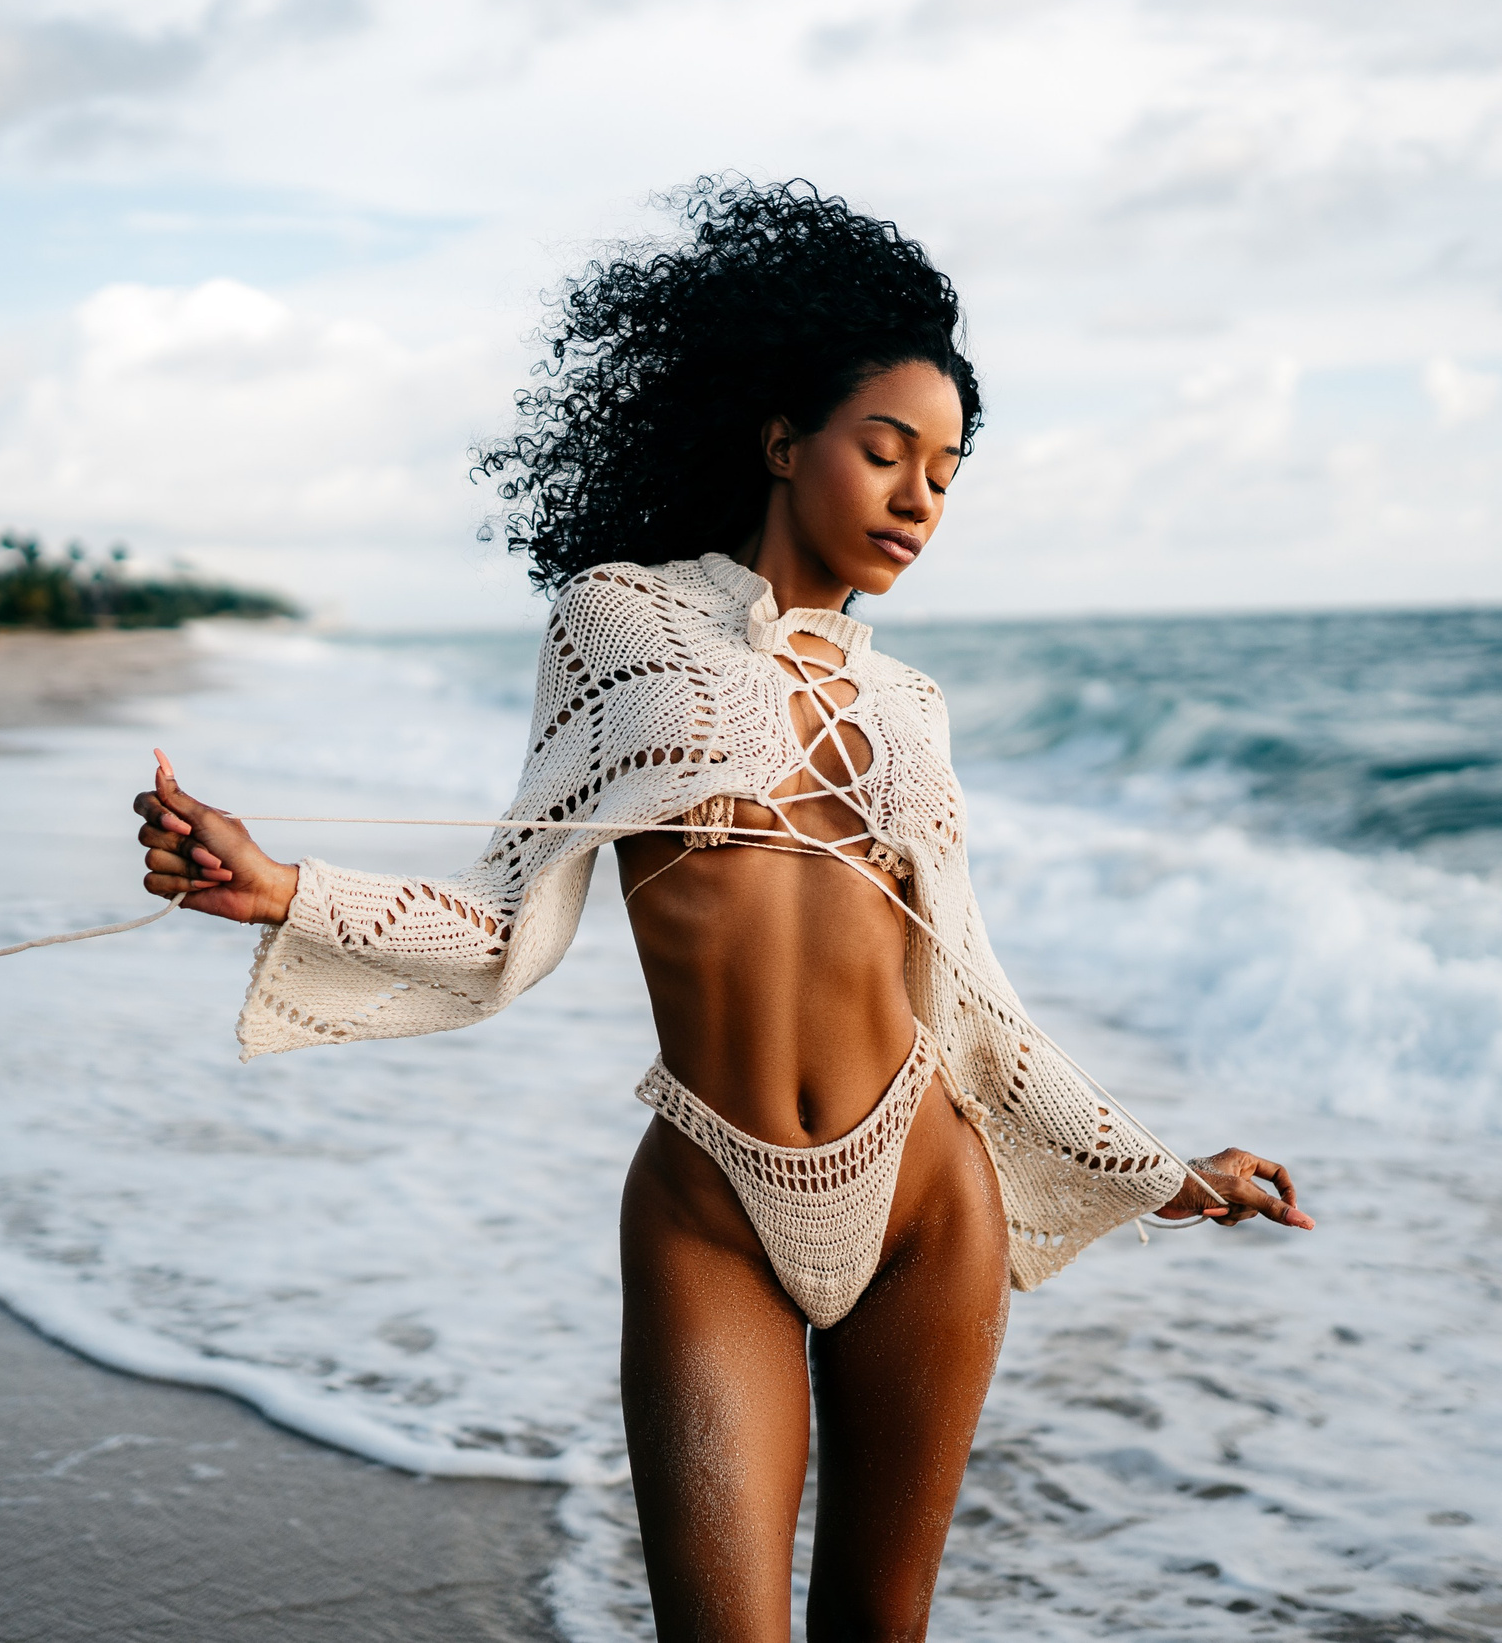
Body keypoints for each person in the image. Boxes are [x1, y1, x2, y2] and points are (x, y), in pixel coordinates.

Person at [133, 177, 1313, 1642]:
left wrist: (1157, 1169)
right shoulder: (623, 623)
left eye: (945, 475)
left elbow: (974, 1007)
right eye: (888, 453)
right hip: (715, 1207)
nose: (916, 500)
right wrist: (279, 890)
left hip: (928, 1199)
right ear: (779, 439)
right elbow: (511, 921)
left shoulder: (909, 704)